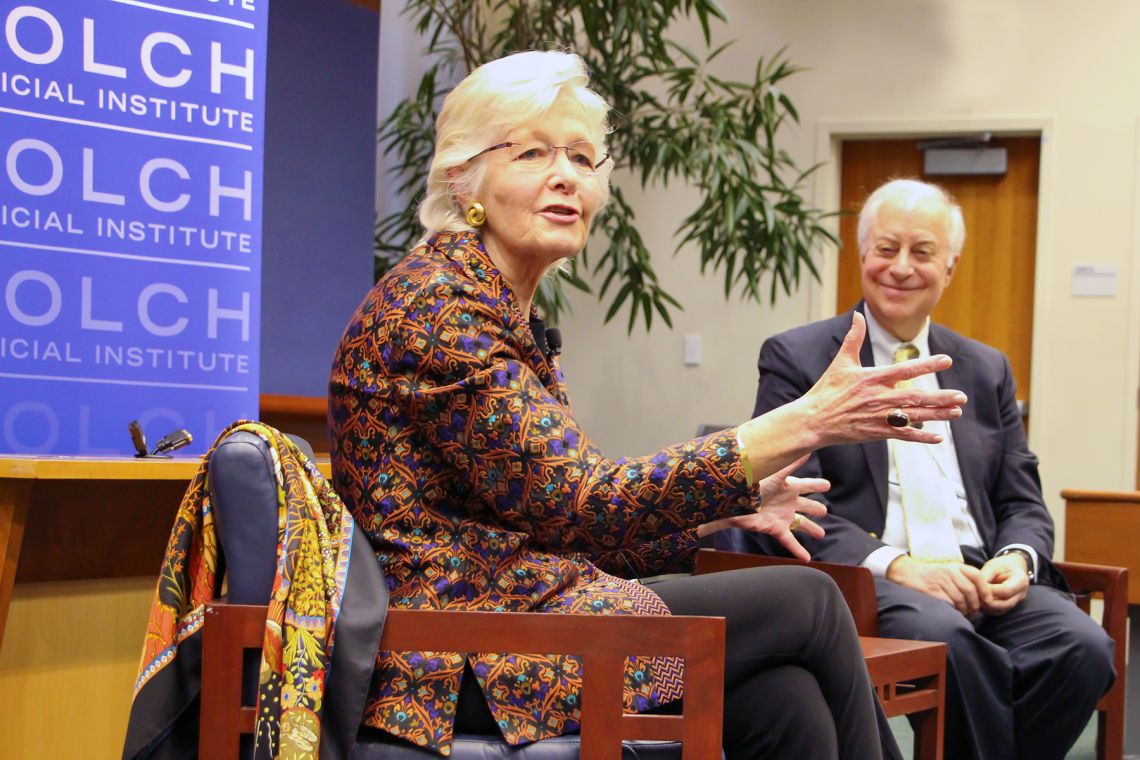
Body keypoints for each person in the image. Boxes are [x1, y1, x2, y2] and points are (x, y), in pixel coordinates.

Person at [330, 53, 965, 760]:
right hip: (460, 650)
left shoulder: (491, 303)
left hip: (531, 614)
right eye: (533, 152)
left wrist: (722, 507)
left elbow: (566, 524)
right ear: (463, 177)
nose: (568, 175)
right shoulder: (438, 307)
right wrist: (806, 420)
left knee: (783, 699)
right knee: (811, 604)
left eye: (581, 155)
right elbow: (581, 503)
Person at [733, 178, 1116, 760]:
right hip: (874, 581)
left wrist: (1017, 559)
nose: (901, 268)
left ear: (951, 267)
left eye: (923, 252)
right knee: (950, 641)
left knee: (1083, 645)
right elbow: (792, 501)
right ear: (862, 256)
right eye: (886, 249)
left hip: (979, 574)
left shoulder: (986, 369)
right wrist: (902, 567)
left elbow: (1022, 502)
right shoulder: (801, 357)